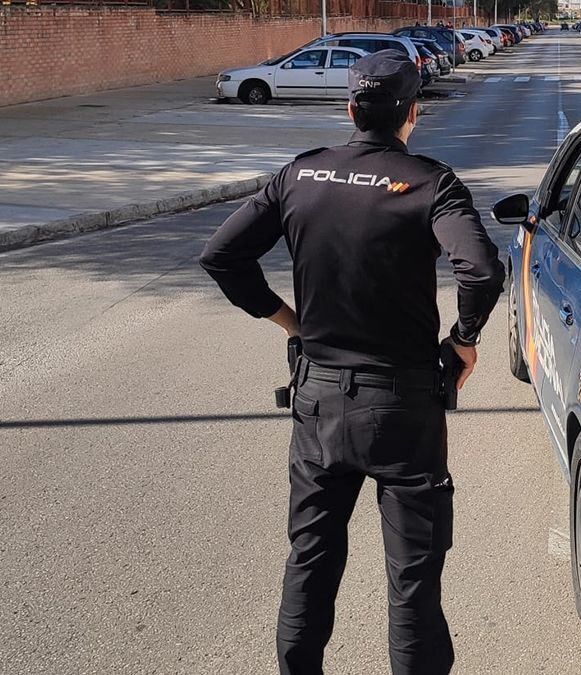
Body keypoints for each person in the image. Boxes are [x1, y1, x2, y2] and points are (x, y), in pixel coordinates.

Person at [199, 50, 505, 675]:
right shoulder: (431, 182)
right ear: (412, 115)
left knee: (309, 559)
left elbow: (222, 255)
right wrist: (464, 339)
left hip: (319, 402)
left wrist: (292, 323)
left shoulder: (300, 174)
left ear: (349, 109)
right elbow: (479, 268)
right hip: (404, 407)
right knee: (413, 577)